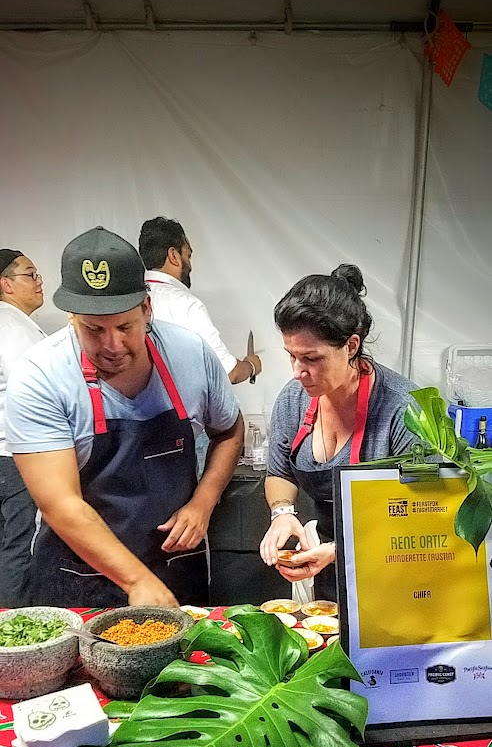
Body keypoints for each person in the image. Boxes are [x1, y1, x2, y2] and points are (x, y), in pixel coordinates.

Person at [5, 227, 243, 609]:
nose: (112, 346)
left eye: (125, 327)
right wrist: (136, 580)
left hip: (175, 564)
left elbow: (229, 430)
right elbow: (60, 503)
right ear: (71, 317)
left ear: (147, 309)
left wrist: (204, 501)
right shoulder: (40, 375)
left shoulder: (191, 355)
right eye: (94, 330)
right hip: (79, 574)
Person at [259, 264, 420, 598]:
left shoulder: (402, 410)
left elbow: (421, 516)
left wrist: (341, 550)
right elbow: (280, 472)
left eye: (312, 358)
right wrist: (283, 513)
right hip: (324, 561)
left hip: (392, 565)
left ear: (351, 345)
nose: (299, 371)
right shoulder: (294, 399)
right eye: (292, 356)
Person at [139, 217, 262, 384]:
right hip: (176, 408)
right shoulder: (186, 305)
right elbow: (228, 373)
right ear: (174, 255)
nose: (190, 264)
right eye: (188, 255)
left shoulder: (127, 301)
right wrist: (251, 365)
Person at [0, 249, 46, 606]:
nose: (39, 281)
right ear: (6, 284)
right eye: (30, 275)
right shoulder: (14, 329)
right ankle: (17, 636)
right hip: (17, 459)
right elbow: (34, 395)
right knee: (21, 546)